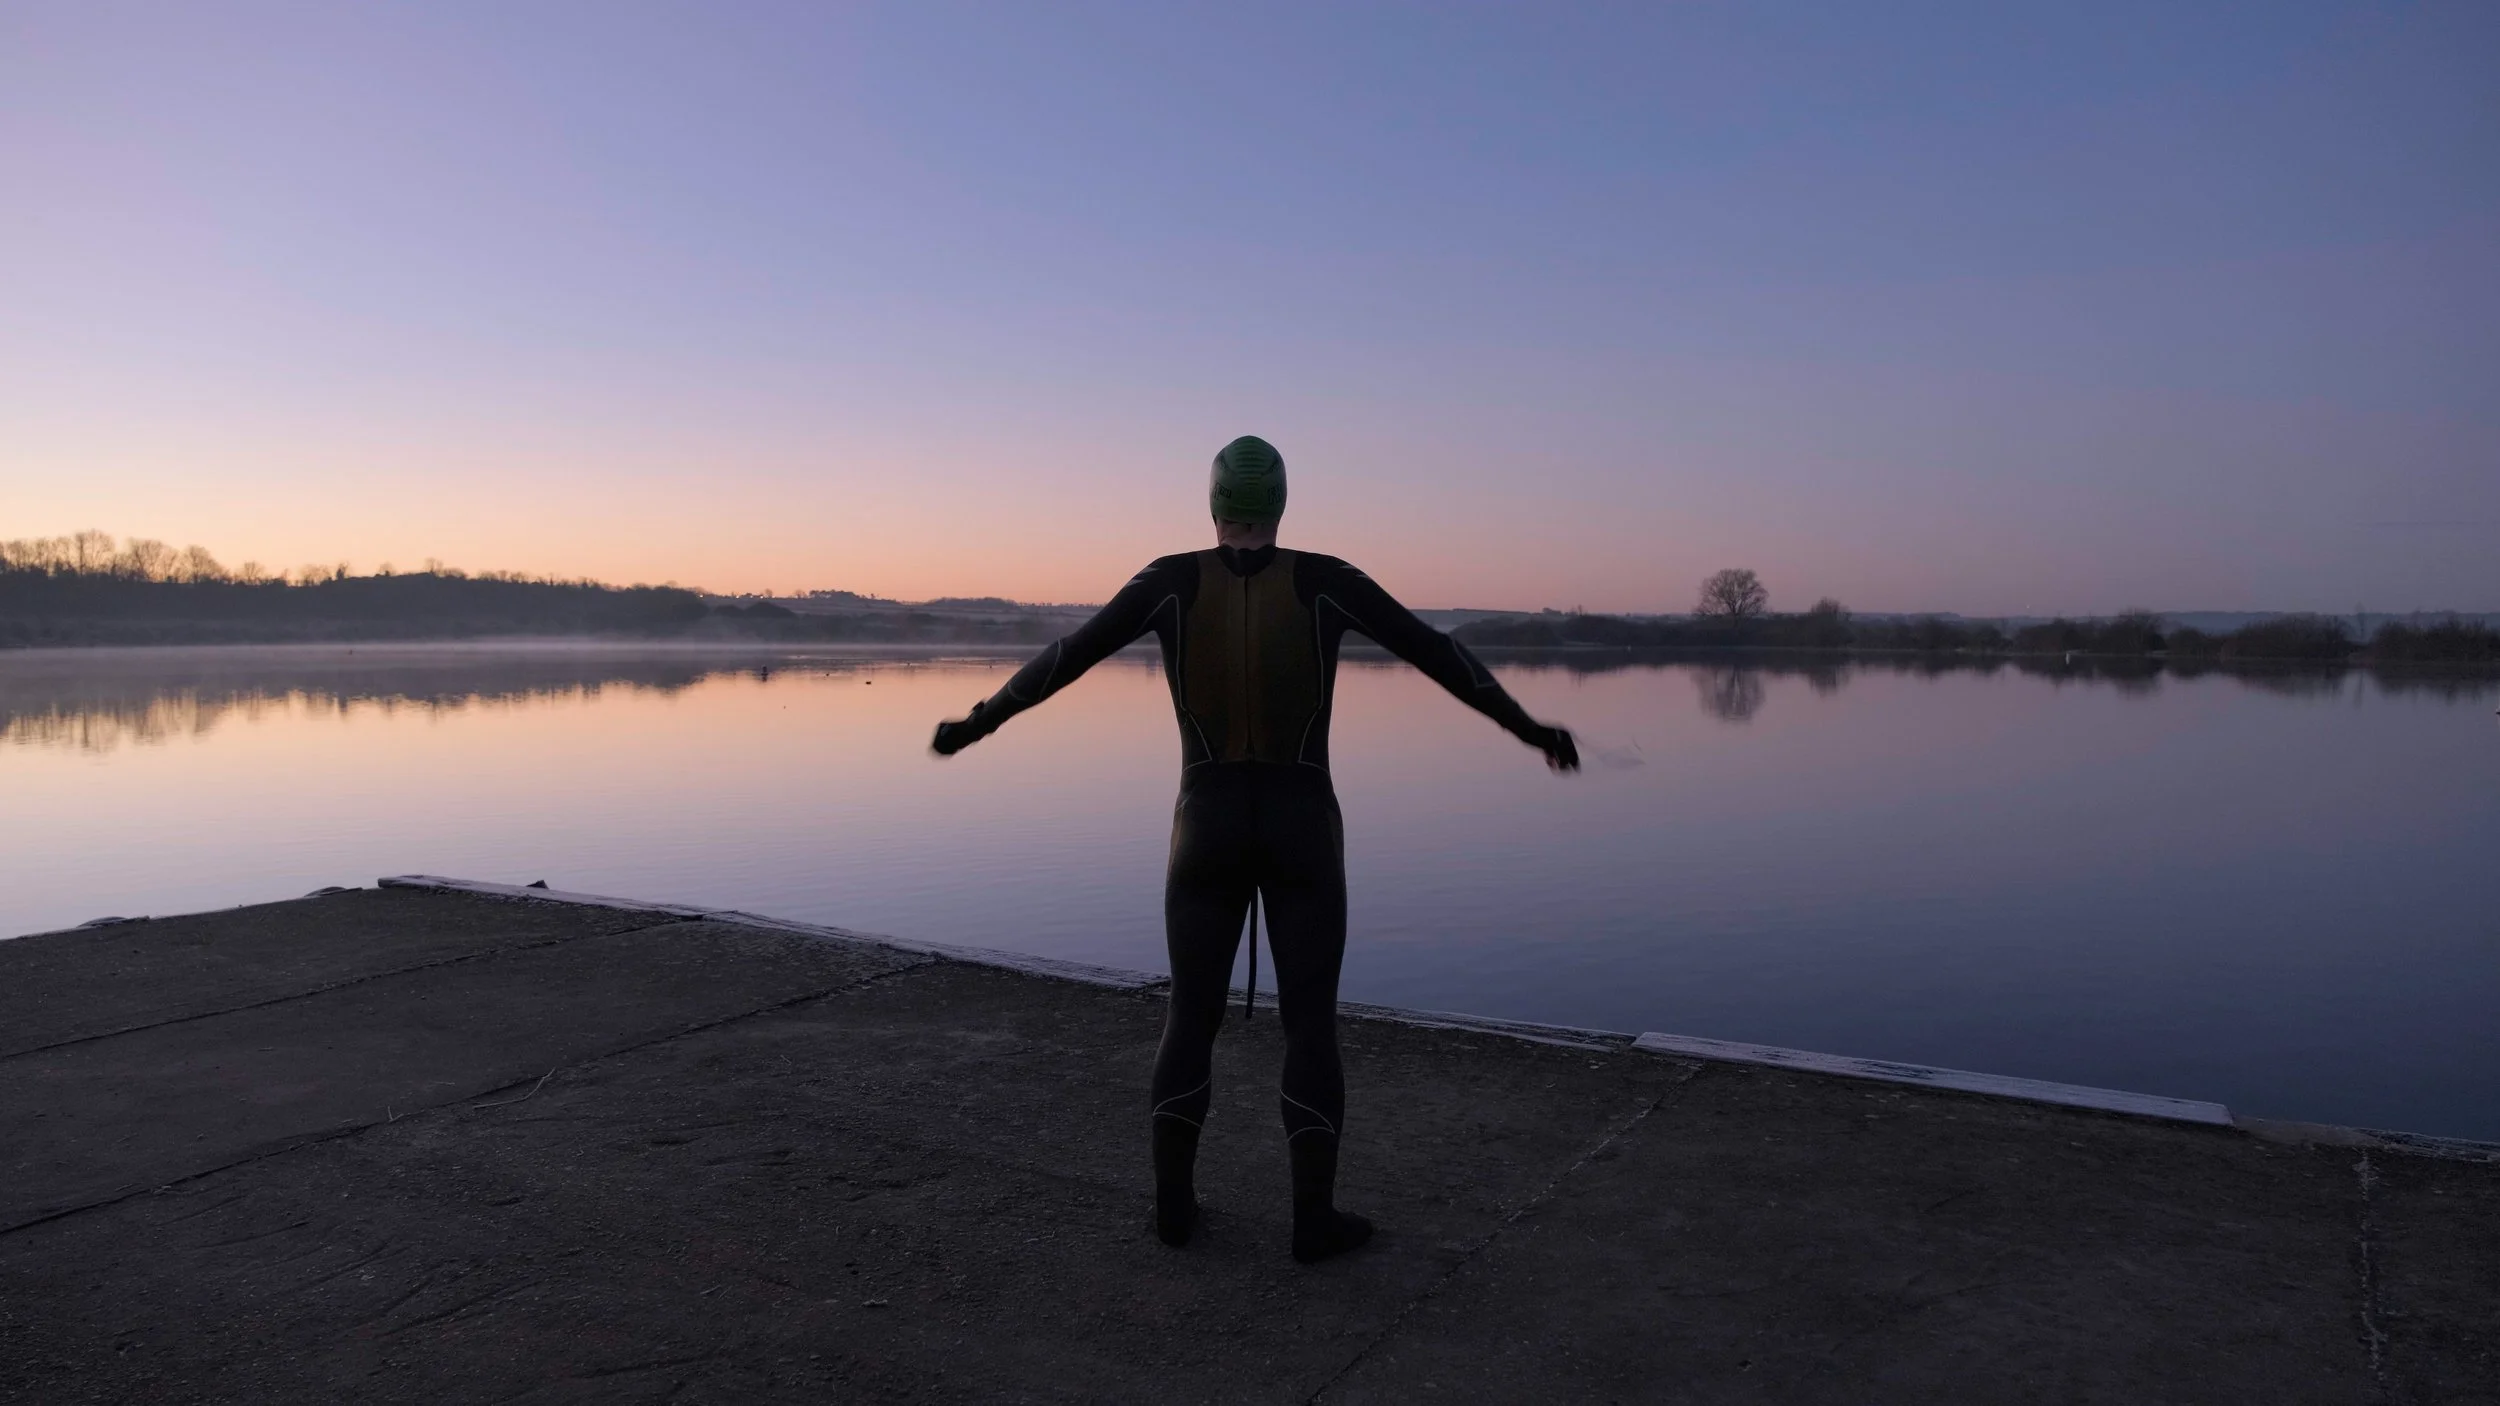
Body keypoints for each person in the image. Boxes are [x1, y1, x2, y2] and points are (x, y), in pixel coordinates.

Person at [931, 435, 1578, 1263]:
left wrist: (975, 724)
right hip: (1303, 822)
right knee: (1310, 1026)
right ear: (1279, 505)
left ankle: (1174, 1211)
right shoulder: (1327, 581)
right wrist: (1532, 731)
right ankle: (1313, 1222)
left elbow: (1067, 658)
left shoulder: (1167, 581)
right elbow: (1438, 654)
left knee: (1188, 1018)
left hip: (1204, 823)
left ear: (1214, 504)